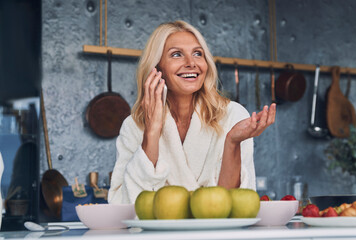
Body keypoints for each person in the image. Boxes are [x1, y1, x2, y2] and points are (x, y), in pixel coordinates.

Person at [108, 20, 276, 204]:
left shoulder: (232, 116)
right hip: (156, 233)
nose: (191, 63)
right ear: (157, 68)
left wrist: (232, 142)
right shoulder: (134, 126)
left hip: (218, 233)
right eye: (176, 54)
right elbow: (122, 205)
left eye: (198, 54)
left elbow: (234, 204)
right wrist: (152, 132)